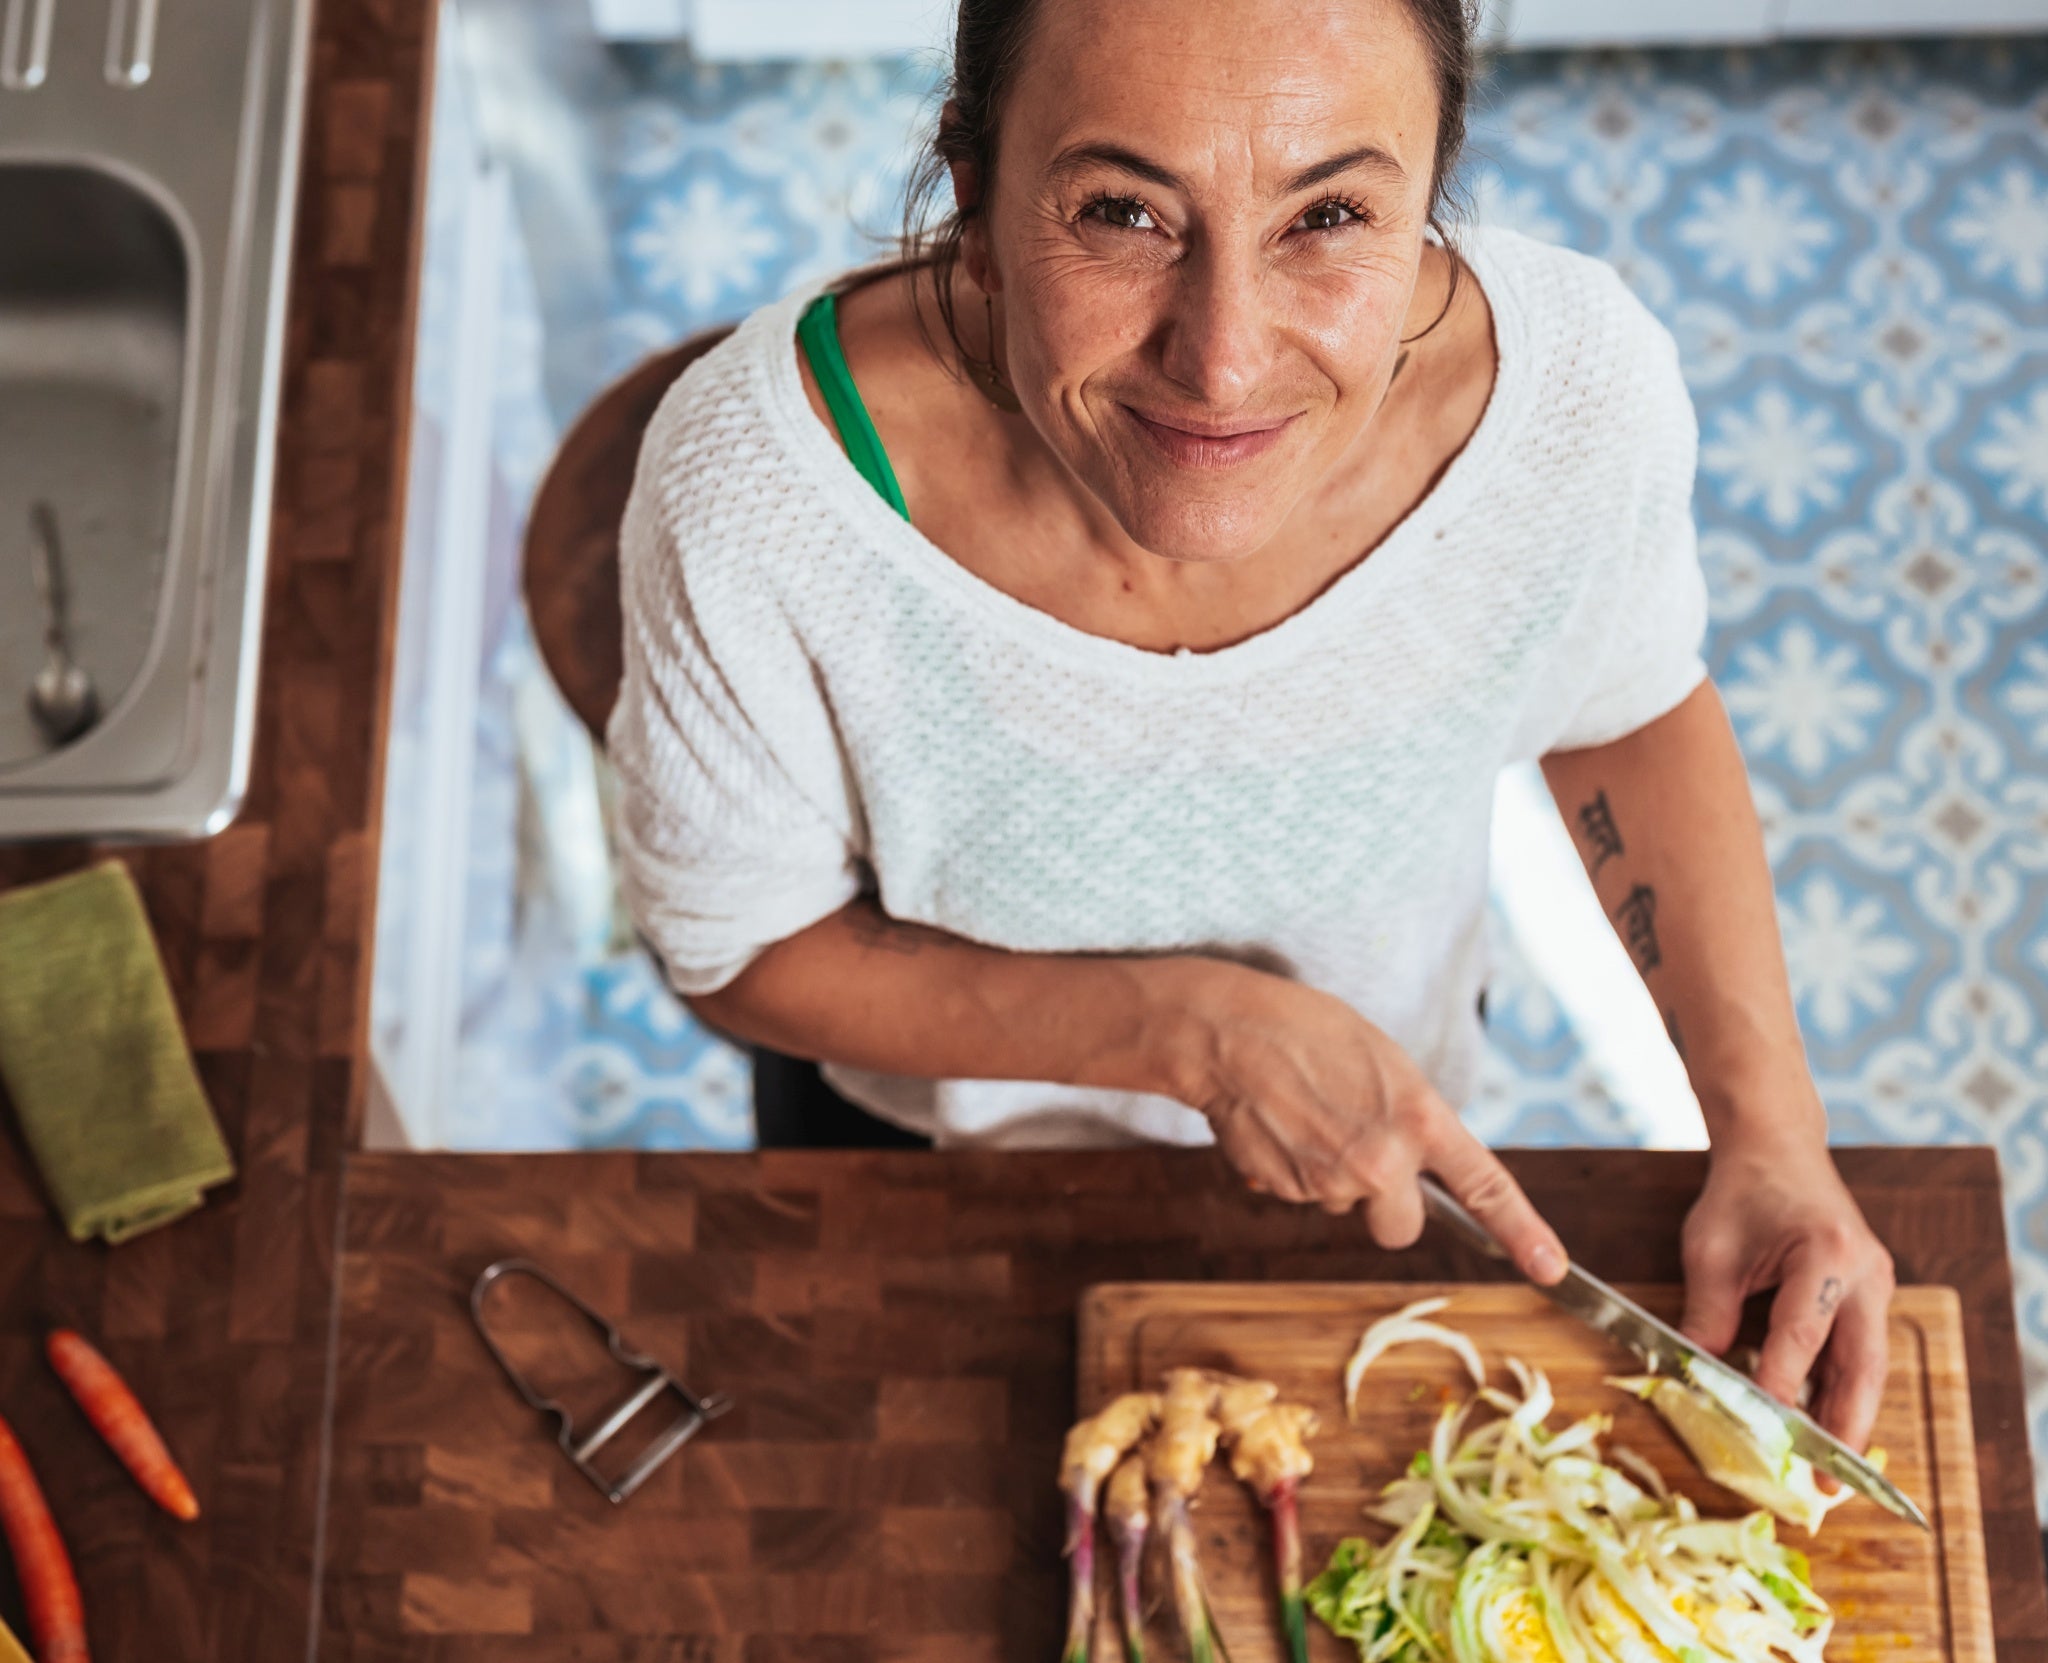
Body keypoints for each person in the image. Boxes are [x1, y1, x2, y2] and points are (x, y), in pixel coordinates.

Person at [607, 0, 1895, 1454]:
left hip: (1377, 1132)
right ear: (970, 191)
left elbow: (1628, 707)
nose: (1223, 364)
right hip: (932, 1163)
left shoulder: (1574, 403)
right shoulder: (758, 495)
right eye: (1123, 211)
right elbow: (738, 950)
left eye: (1331, 213)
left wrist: (1774, 1135)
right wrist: (1197, 1034)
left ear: (1431, 194)